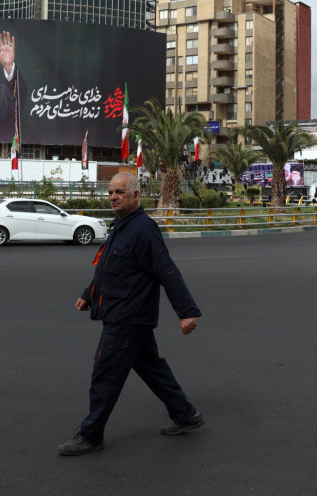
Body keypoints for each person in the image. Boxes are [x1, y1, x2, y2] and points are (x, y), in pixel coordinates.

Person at [58, 172, 203, 456]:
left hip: (125, 318)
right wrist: (89, 293)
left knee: (104, 375)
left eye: (120, 192)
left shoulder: (144, 229)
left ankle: (91, 435)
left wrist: (186, 312)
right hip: (128, 316)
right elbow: (111, 267)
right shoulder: (123, 226)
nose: (113, 197)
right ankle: (186, 415)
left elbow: (167, 271)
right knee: (152, 369)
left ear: (136, 196)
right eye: (111, 192)